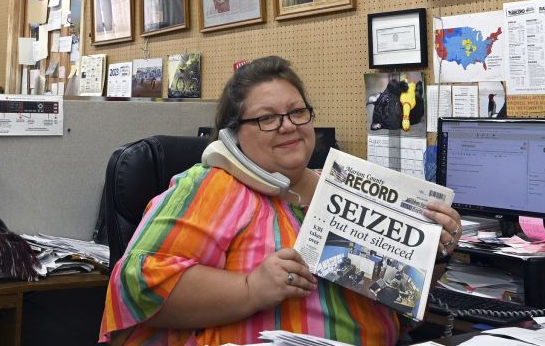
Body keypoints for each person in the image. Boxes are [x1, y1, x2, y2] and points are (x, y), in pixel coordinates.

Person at [100, 56, 463, 346]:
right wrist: (250, 289)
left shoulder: (349, 188)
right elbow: (136, 285)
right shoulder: (214, 185)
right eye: (267, 118)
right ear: (233, 135)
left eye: (297, 112)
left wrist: (432, 253)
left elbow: (398, 302)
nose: (288, 125)